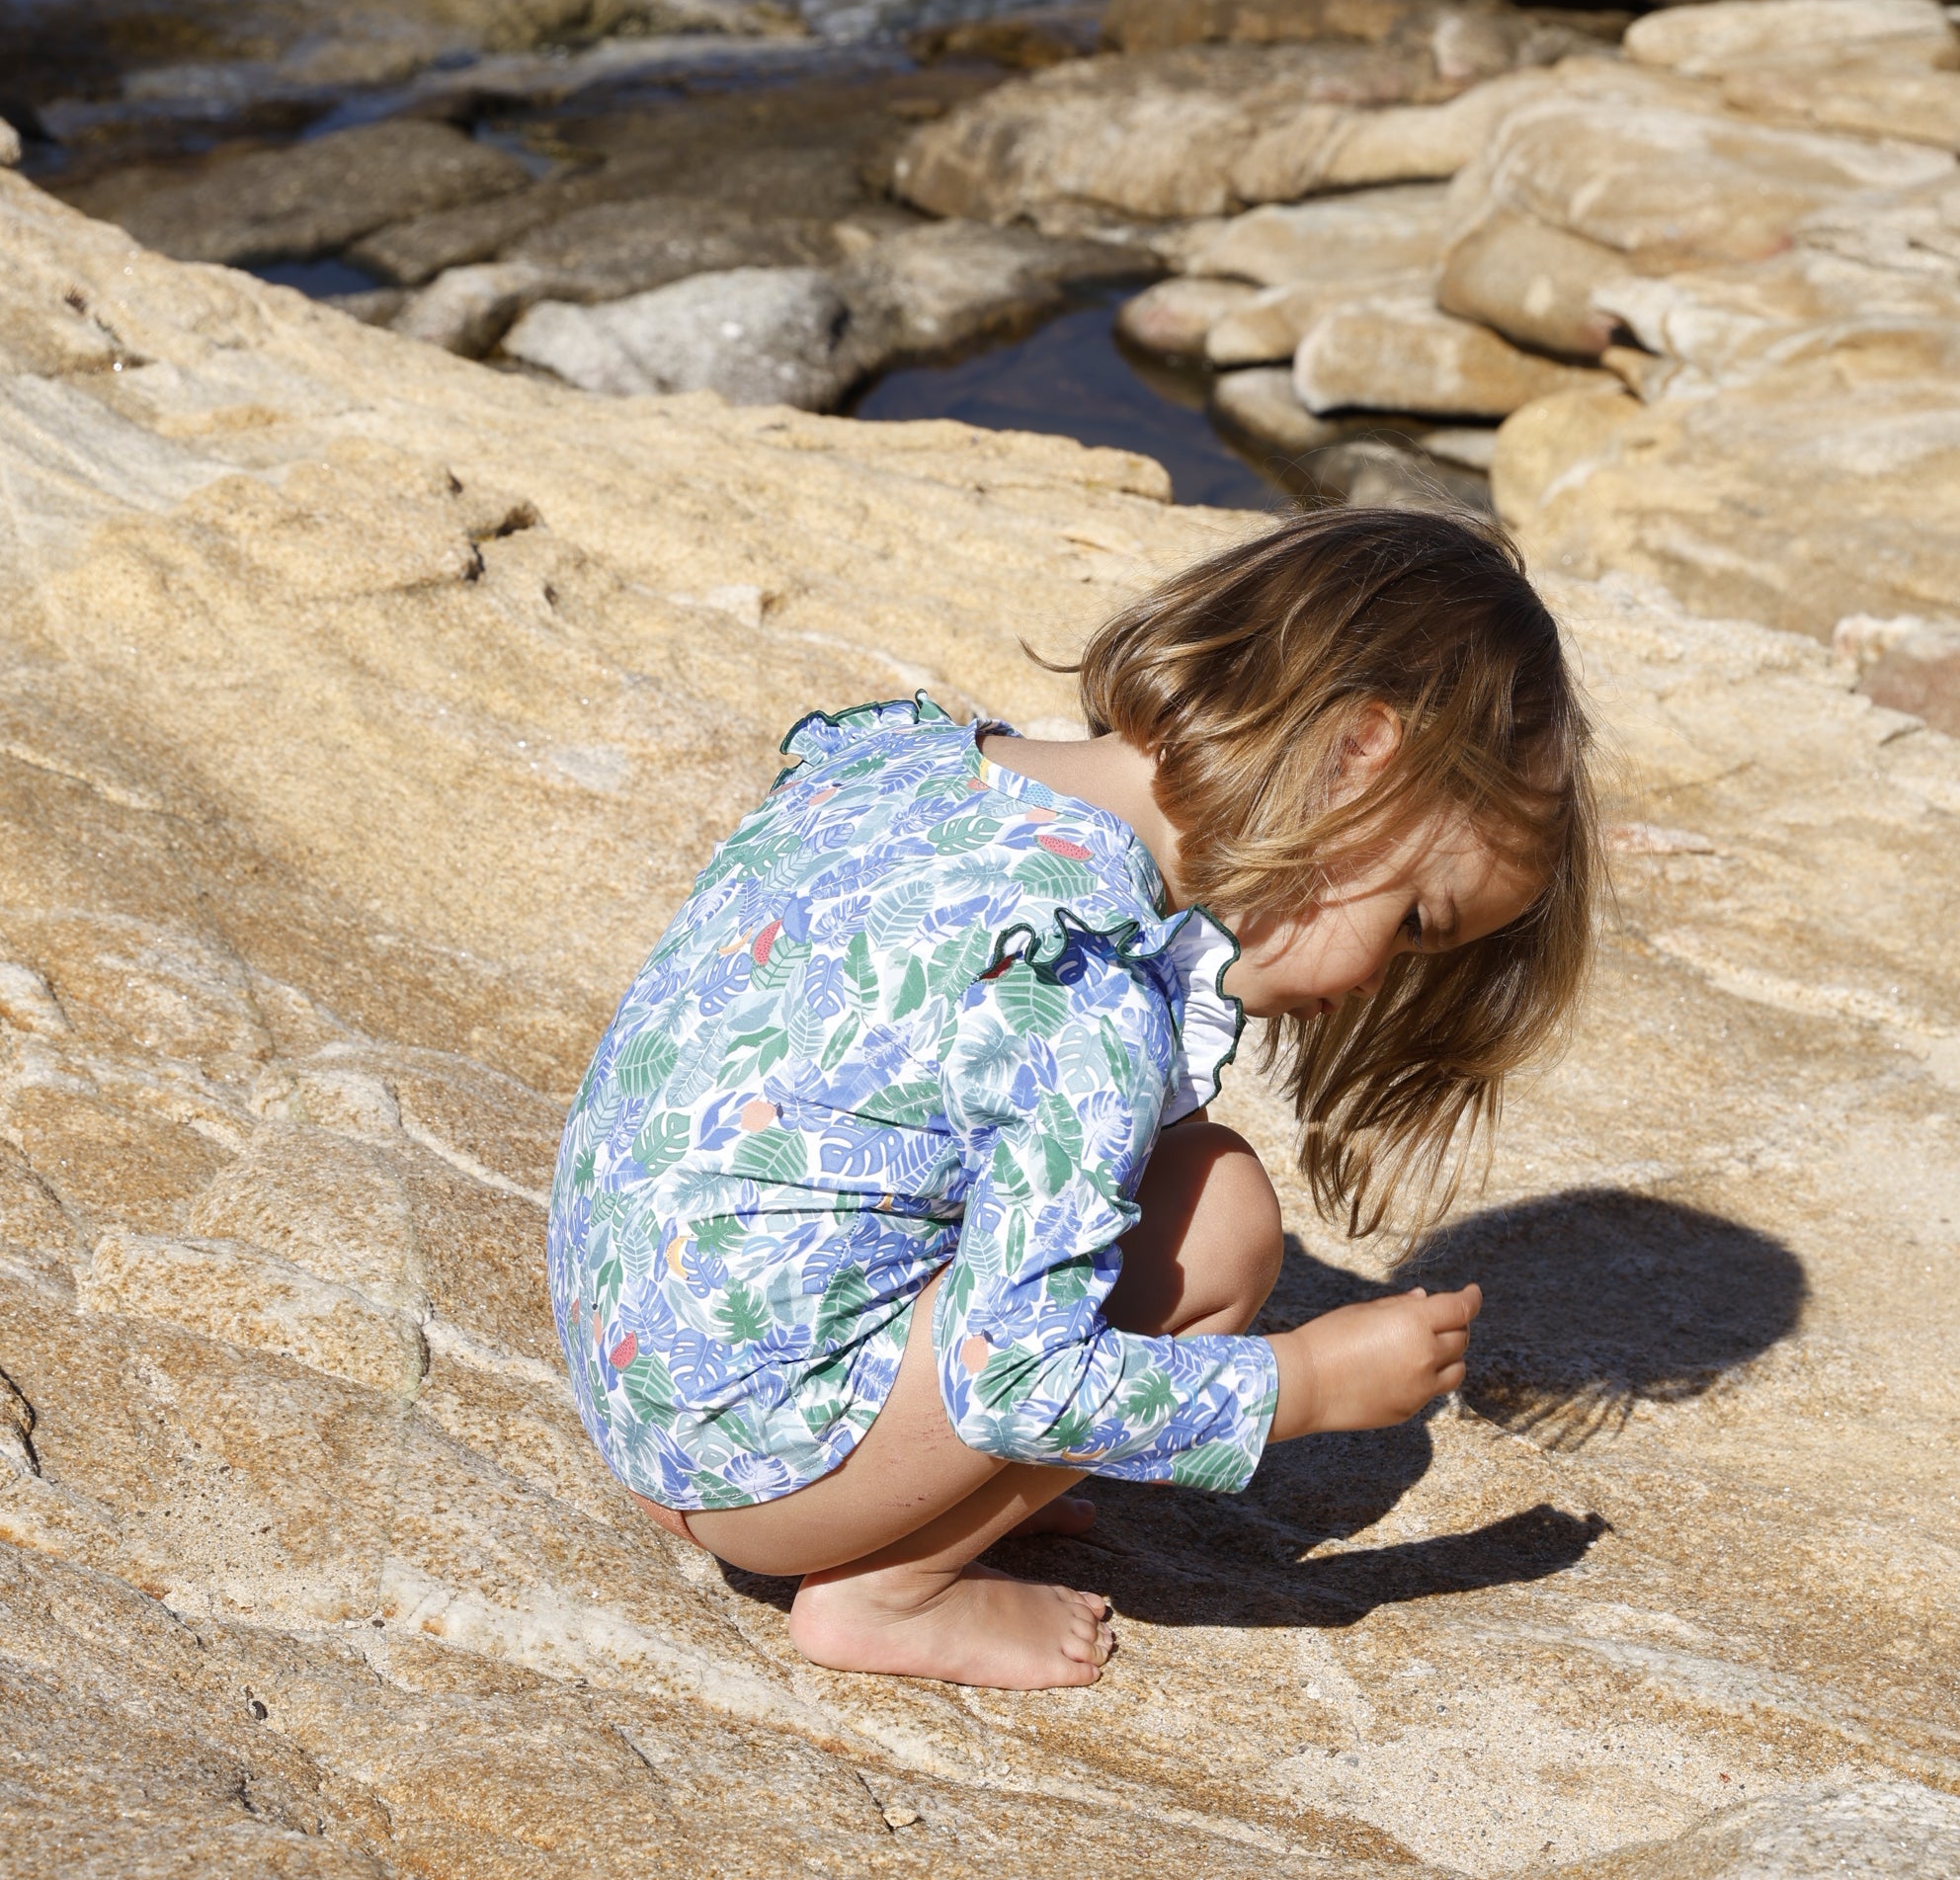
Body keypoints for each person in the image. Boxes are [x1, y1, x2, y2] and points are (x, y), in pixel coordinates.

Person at [548, 505, 1598, 1690]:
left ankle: (893, 1496)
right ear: (1356, 750)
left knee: (1151, 1169)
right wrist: (1299, 1385)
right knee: (1221, 1216)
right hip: (755, 1476)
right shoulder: (1077, 979)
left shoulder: (922, 768)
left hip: (639, 1376)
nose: (1370, 981)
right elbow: (1016, 1385)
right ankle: (888, 1592)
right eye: (1413, 925)